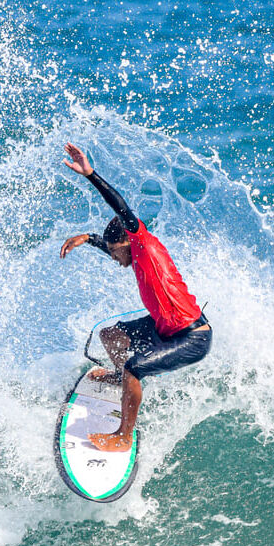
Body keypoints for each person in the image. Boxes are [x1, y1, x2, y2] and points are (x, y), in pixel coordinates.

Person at [59, 143, 212, 452]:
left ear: (129, 243)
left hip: (192, 336)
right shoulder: (135, 254)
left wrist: (90, 175)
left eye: (116, 253)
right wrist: (90, 239)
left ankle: (123, 436)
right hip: (163, 325)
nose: (115, 260)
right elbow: (115, 249)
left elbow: (121, 208)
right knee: (110, 335)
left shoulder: (142, 242)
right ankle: (123, 381)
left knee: (135, 366)